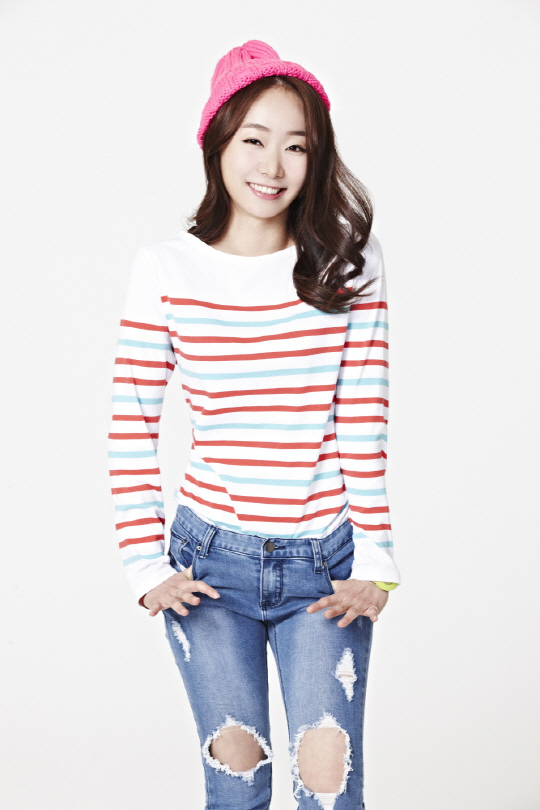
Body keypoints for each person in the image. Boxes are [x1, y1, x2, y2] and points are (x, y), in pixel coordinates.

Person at [108, 39, 401, 810]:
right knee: (236, 790)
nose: (273, 165)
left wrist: (377, 558)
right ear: (217, 142)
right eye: (254, 140)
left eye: (296, 146)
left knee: (330, 792)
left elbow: (362, 417)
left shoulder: (350, 264)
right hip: (209, 568)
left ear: (317, 156)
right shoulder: (165, 269)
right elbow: (132, 421)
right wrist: (144, 566)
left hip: (325, 566)